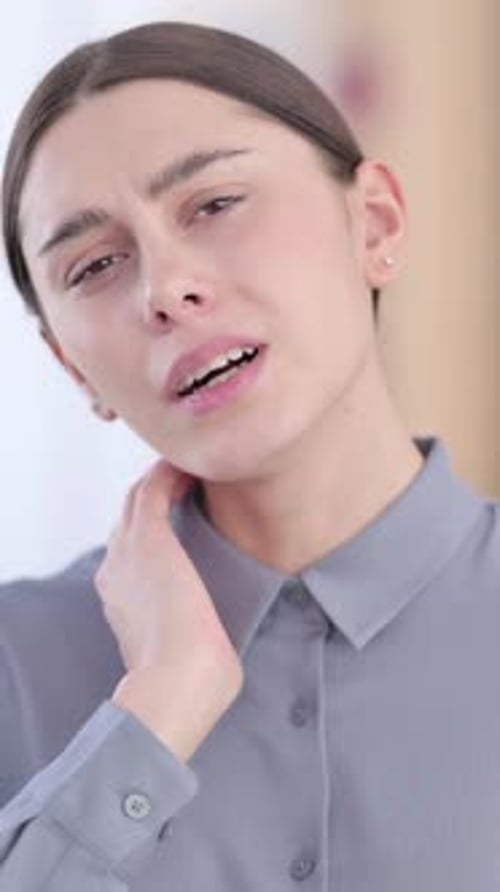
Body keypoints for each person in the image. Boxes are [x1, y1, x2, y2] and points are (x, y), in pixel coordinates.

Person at [0, 20, 499, 892]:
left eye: (215, 204)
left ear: (374, 223)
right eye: (94, 266)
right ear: (74, 366)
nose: (163, 288)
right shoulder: (14, 665)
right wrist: (156, 710)